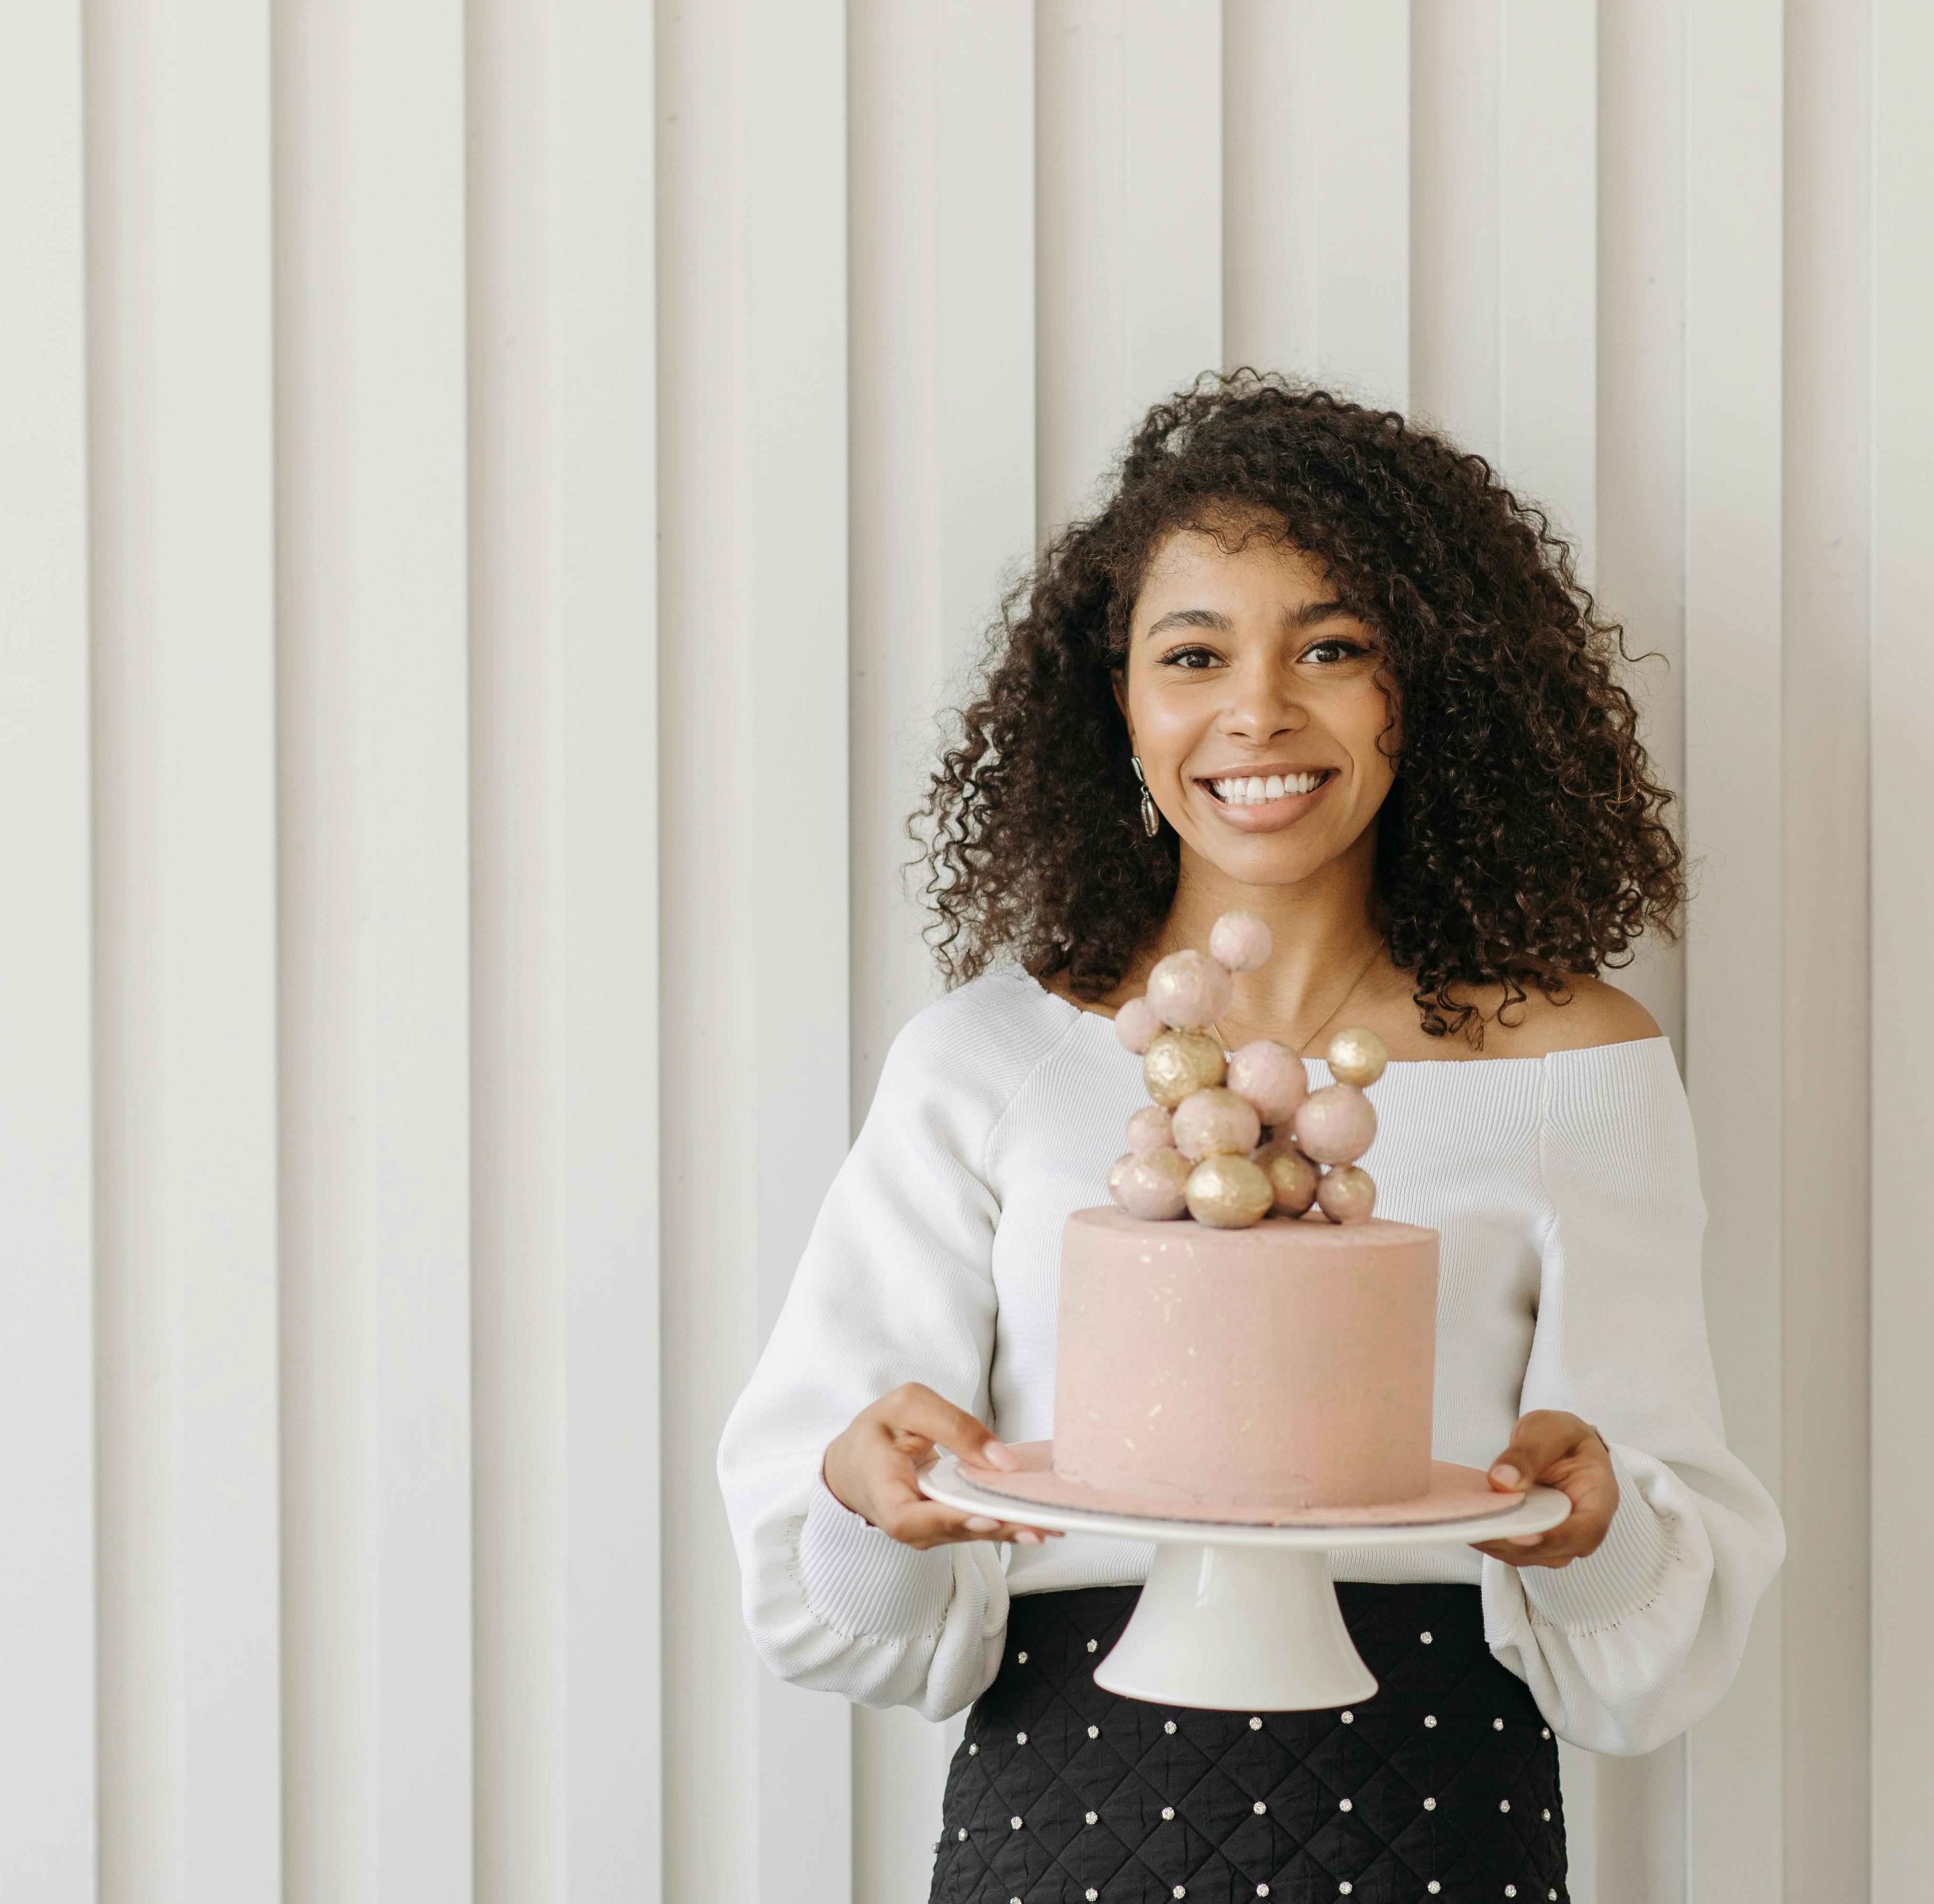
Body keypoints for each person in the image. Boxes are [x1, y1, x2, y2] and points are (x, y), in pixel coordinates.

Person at [719, 373, 1784, 1903]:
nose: (1260, 709)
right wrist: (867, 1498)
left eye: (1334, 647)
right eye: (1195, 652)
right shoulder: (986, 1066)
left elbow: (1650, 1647)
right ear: (1122, 703)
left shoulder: (1579, 1068)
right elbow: (839, 1612)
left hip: (1439, 1816)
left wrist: (1597, 1525)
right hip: (1065, 1820)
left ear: (1420, 690)